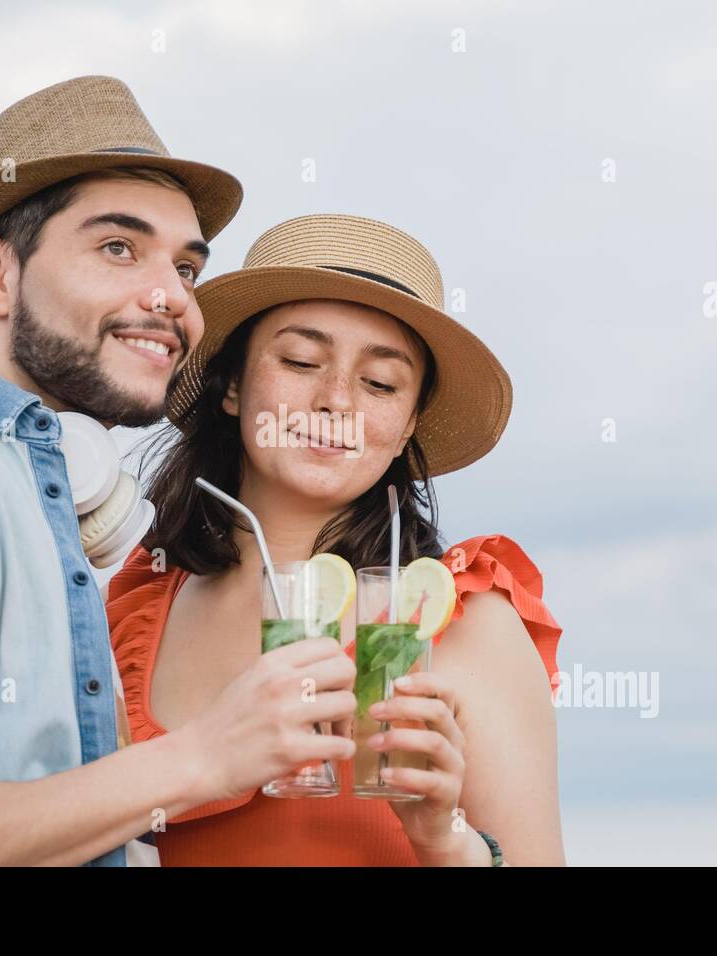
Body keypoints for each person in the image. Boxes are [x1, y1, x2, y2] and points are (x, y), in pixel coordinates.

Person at [0, 76, 360, 866]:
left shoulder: (52, 510)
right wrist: (203, 758)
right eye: (118, 248)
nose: (172, 297)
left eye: (186, 269)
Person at [107, 213, 567, 866]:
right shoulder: (137, 606)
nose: (335, 402)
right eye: (300, 361)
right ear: (233, 387)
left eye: (380, 383)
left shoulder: (457, 620)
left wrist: (447, 842)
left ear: (408, 426)